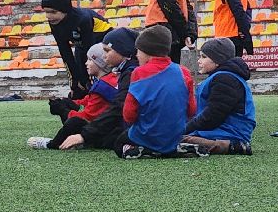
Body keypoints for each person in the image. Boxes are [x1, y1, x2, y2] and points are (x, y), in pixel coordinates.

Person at [61, 26, 193, 157]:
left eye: (139, 51)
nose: (136, 54)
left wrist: (86, 134)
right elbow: (191, 109)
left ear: (146, 52)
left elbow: (127, 112)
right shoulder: (184, 71)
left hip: (147, 132)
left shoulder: (138, 72)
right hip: (175, 134)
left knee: (118, 142)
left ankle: (146, 150)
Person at [59, 28, 138, 151]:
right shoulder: (124, 72)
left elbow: (116, 108)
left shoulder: (129, 73)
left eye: (107, 50)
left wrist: (83, 134)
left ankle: (53, 143)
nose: (104, 55)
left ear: (122, 50)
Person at [30, 42, 117, 150]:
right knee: (70, 108)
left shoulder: (102, 86)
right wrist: (70, 103)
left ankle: (52, 144)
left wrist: (64, 111)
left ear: (100, 63)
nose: (86, 63)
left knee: (74, 122)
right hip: (112, 128)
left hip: (107, 132)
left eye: (90, 60)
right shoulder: (108, 79)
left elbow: (88, 116)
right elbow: (89, 100)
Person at [180, 37, 255, 155]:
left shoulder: (225, 79)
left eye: (204, 57)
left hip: (228, 133)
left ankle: (230, 146)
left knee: (172, 140)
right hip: (220, 131)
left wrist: (185, 129)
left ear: (217, 60)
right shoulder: (222, 77)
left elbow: (213, 115)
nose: (199, 61)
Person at [40, 0, 111, 107]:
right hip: (82, 44)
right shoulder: (54, 22)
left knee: (89, 67)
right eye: (46, 12)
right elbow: (65, 52)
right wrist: (75, 82)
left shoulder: (82, 19)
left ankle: (99, 94)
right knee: (79, 82)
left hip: (101, 38)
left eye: (53, 12)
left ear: (65, 9)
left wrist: (87, 80)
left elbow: (90, 52)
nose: (48, 16)